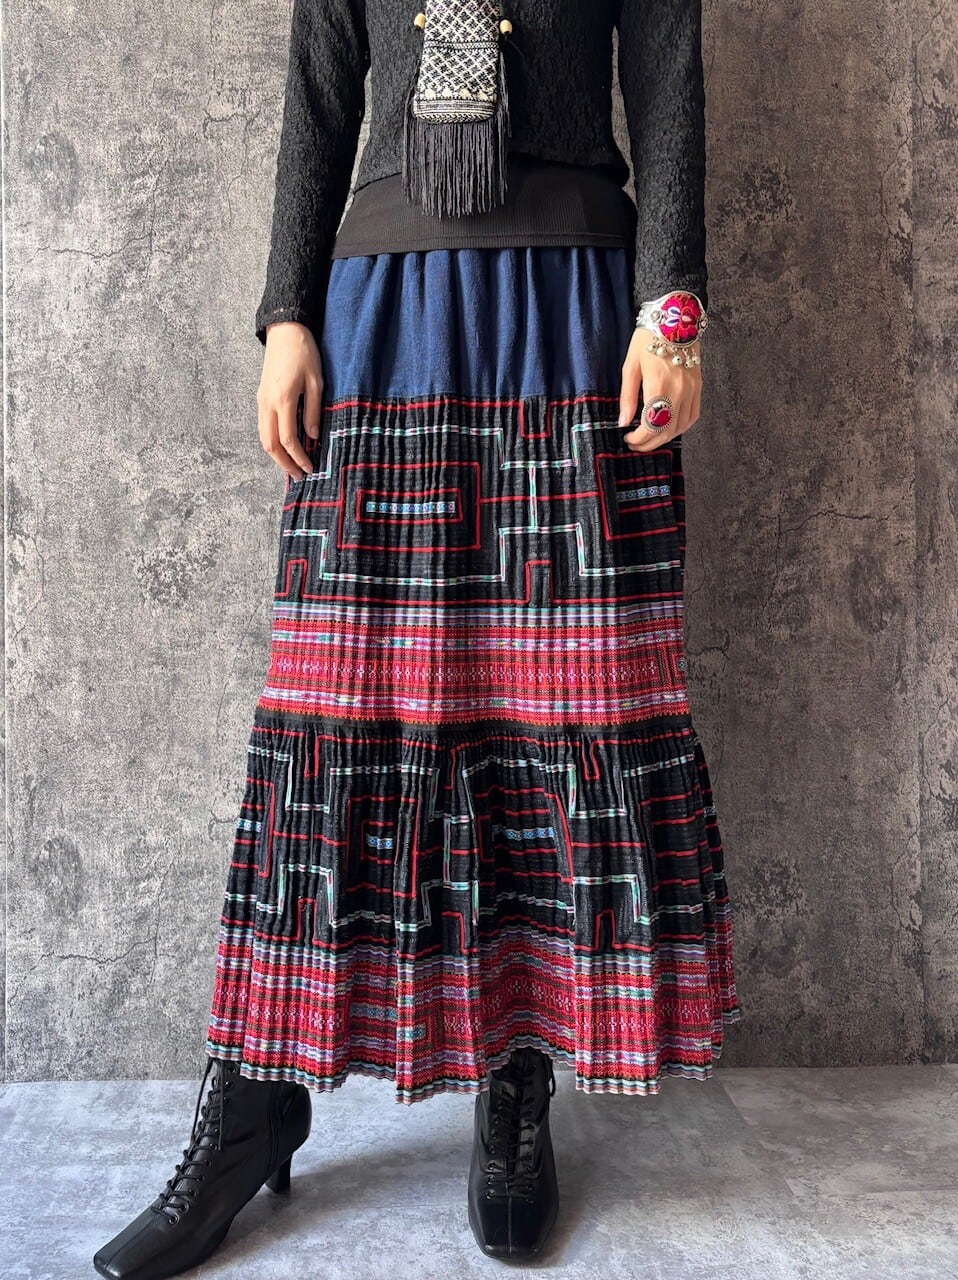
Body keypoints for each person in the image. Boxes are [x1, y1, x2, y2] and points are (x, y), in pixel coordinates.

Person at [93, 0, 742, 1274]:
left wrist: (671, 308)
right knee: (333, 706)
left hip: (571, 303)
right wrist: (287, 311)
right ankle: (251, 1095)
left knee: (552, 700)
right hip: (382, 308)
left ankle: (515, 1074)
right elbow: (320, 87)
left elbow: (670, 79)